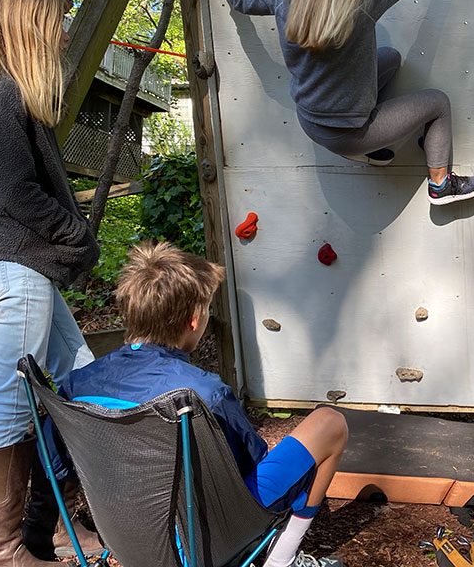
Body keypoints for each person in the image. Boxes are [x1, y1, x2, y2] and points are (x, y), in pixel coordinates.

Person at [59, 242, 348, 567]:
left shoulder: (77, 383)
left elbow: (58, 464)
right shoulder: (203, 394)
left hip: (125, 534)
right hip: (203, 538)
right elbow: (246, 468)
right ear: (194, 320)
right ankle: (281, 559)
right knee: (329, 422)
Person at [210, 0, 474, 206]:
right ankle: (441, 185)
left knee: (390, 58)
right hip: (351, 132)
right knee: (438, 103)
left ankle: (370, 151)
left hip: (310, 120)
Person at [0, 0, 103, 565]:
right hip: (14, 263)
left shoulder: (0, 91)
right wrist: (76, 235)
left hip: (22, 264)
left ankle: (42, 531)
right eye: (54, 19)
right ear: (24, 23)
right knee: (12, 399)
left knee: (85, 384)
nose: (64, 31)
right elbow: (15, 192)